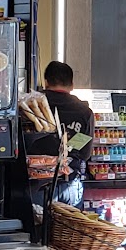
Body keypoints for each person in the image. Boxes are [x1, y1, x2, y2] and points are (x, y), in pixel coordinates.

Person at [41, 61, 95, 207]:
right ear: (72, 85)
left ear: (46, 82)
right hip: (69, 183)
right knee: (69, 222)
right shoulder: (84, 112)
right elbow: (85, 153)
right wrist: (69, 147)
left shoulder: (33, 106)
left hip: (35, 184)